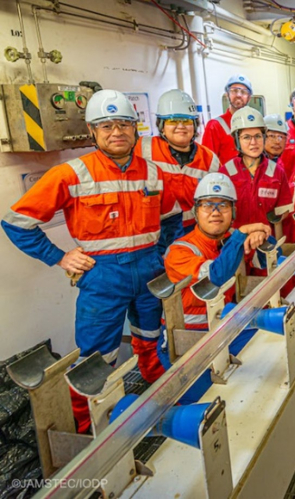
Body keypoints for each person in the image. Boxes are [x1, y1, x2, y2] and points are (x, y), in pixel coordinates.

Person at [1, 90, 177, 432]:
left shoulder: (153, 173)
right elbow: (16, 223)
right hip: (102, 278)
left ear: (136, 128)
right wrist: (59, 257)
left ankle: (160, 397)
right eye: (106, 125)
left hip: (149, 270)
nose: (117, 132)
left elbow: (170, 216)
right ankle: (88, 430)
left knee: (151, 338)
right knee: (95, 360)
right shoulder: (72, 173)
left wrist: (159, 252)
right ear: (92, 131)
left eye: (124, 124)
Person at [160, 174, 271, 402]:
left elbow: (266, 264)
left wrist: (261, 237)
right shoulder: (179, 251)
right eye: (207, 205)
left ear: (233, 212)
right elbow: (215, 277)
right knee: (207, 404)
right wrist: (241, 235)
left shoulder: (231, 239)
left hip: (223, 328)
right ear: (196, 211)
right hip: (187, 341)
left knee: (266, 362)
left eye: (223, 205)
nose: (215, 212)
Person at [136, 89, 220, 252]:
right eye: (173, 121)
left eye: (186, 121)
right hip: (151, 236)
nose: (180, 126)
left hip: (193, 234)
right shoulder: (143, 148)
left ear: (194, 125)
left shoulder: (210, 160)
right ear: (162, 126)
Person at [222, 107, 293, 234]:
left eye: (258, 136)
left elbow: (283, 211)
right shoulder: (226, 172)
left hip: (266, 239)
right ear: (237, 140)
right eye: (246, 137)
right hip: (235, 239)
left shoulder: (277, 172)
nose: (253, 142)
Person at [202, 74, 253, 165]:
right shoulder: (214, 126)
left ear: (249, 97)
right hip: (225, 174)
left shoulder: (255, 125)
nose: (238, 95)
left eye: (243, 92)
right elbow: (207, 162)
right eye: (234, 91)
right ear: (227, 95)